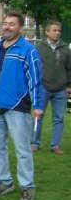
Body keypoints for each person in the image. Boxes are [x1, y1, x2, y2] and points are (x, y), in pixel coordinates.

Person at [0, 13, 44, 200]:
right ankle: (4, 181)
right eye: (4, 24)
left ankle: (27, 186)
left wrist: (38, 105)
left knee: (22, 150)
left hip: (18, 109)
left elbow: (36, 80)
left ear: (20, 28)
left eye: (11, 24)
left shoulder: (28, 51)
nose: (6, 27)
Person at [31, 20, 71, 155]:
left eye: (59, 31)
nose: (57, 33)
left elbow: (69, 69)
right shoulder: (38, 48)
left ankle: (55, 145)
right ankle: (35, 143)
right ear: (47, 32)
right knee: (38, 117)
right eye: (54, 30)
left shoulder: (66, 49)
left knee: (59, 118)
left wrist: (69, 86)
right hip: (42, 87)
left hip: (61, 89)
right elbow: (34, 68)